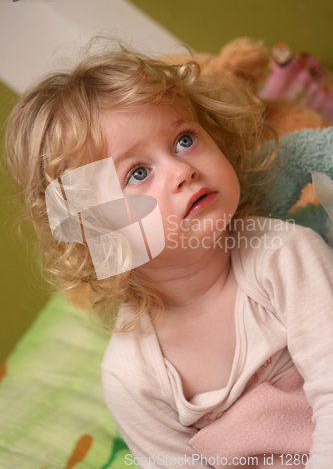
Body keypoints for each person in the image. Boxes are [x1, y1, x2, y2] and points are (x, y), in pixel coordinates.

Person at [5, 41, 333, 469]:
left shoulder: (284, 256)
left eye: (183, 139)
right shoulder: (131, 376)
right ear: (95, 232)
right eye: (137, 173)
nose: (182, 170)